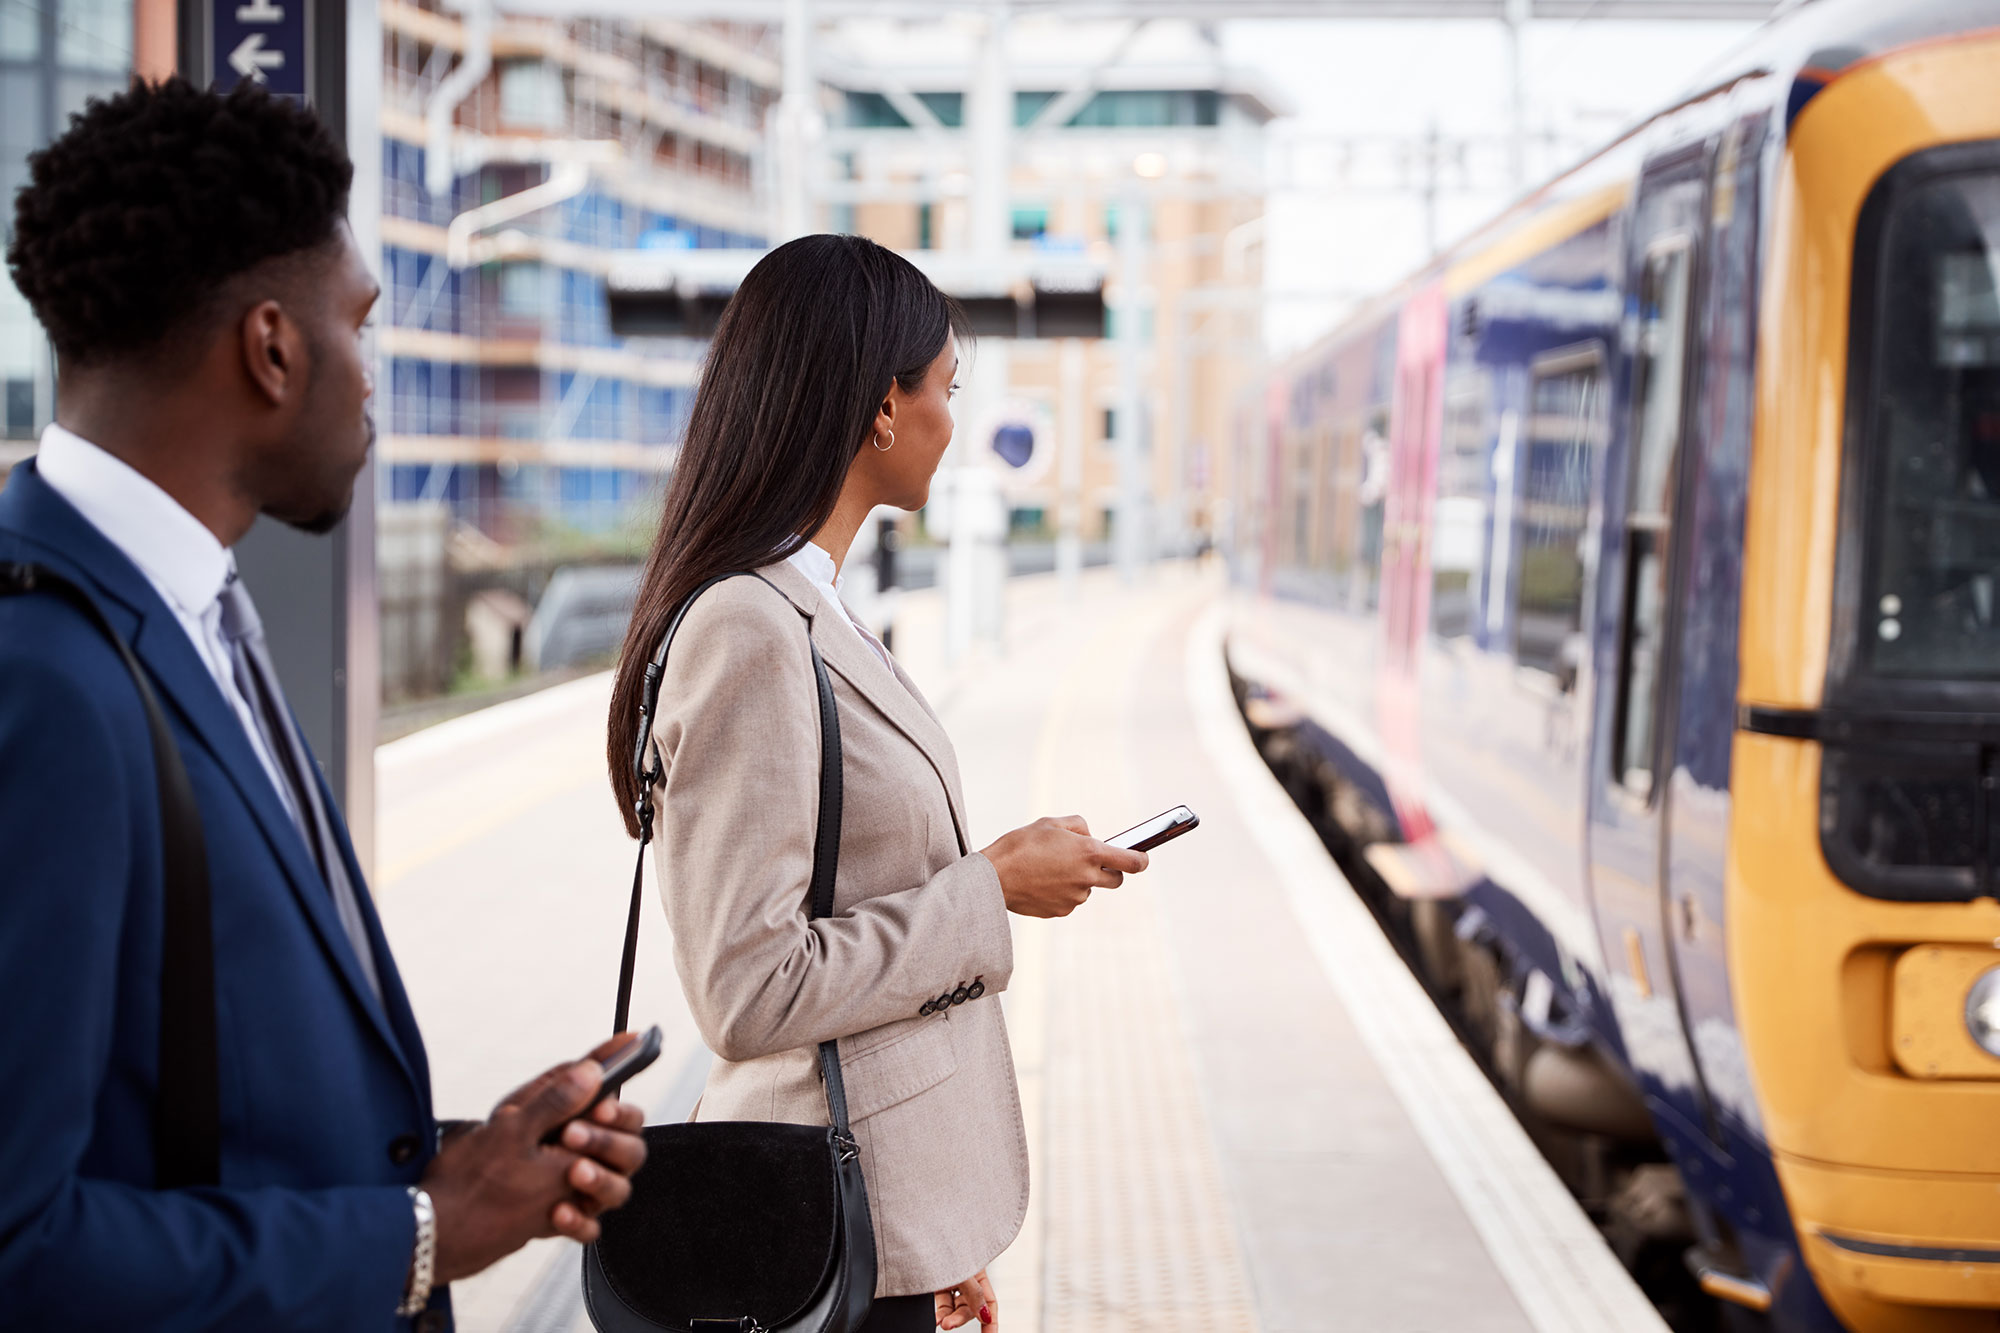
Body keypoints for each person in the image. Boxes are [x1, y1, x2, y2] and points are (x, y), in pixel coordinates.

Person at [0, 79, 646, 1330]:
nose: (372, 379)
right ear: (273, 346)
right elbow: (18, 1241)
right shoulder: (44, 675)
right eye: (362, 325)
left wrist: (471, 1161)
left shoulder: (181, 614)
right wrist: (419, 1233)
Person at [605, 234, 1151, 1333]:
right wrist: (987, 888)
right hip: (813, 1208)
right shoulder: (750, 630)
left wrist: (924, 1224)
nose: (954, 421)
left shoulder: (815, 610)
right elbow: (747, 987)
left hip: (870, 1215)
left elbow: (843, 912)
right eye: (946, 387)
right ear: (882, 409)